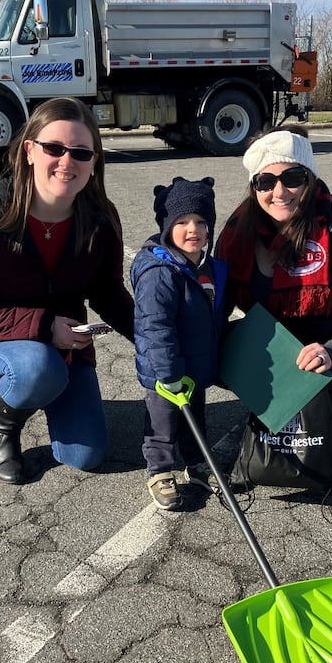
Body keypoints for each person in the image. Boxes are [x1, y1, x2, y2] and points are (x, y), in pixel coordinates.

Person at [0, 97, 134, 484]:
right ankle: (4, 423)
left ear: (94, 162)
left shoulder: (101, 217)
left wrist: (154, 340)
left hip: (63, 343)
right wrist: (43, 327)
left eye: (80, 152)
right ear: (29, 150)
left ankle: (51, 390)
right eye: (54, 148)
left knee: (86, 456)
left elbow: (107, 292)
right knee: (36, 369)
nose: (66, 161)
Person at [215, 125, 332, 465]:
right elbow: (220, 303)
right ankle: (269, 408)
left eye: (292, 177)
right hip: (278, 342)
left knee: (317, 373)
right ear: (255, 187)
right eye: (266, 182)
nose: (280, 191)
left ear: (310, 178)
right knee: (208, 350)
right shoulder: (237, 232)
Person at [130, 177, 228, 510]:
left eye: (201, 222)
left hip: (195, 367)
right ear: (166, 225)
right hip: (166, 372)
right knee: (162, 422)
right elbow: (154, 327)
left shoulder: (207, 268)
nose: (193, 229)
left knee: (194, 419)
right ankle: (159, 469)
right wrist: (167, 373)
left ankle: (197, 462)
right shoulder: (160, 271)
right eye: (182, 222)